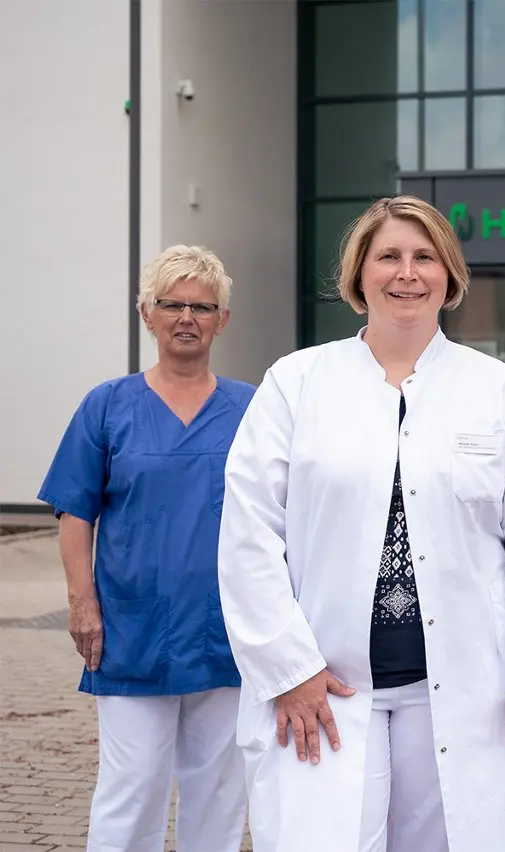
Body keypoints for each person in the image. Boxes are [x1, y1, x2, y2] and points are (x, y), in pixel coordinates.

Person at [216, 195, 505, 852]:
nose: (406, 273)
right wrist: (286, 668)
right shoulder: (296, 383)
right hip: (326, 683)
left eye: (424, 257)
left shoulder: (499, 391)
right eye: (388, 256)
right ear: (359, 273)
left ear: (448, 274)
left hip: (467, 685)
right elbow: (248, 536)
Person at [37, 245, 253, 852]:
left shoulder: (253, 408)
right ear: (146, 314)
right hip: (132, 631)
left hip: (226, 629)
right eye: (171, 304)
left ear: (222, 320)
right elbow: (75, 509)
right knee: (131, 788)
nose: (186, 318)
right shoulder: (107, 405)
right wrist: (82, 603)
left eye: (202, 307)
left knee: (220, 791)